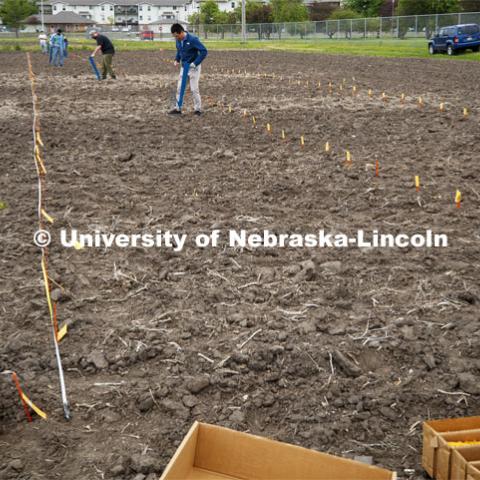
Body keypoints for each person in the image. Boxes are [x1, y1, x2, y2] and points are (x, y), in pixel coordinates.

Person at [169, 23, 207, 116]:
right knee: (179, 88)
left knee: (194, 89)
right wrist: (177, 59)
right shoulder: (178, 40)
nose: (176, 38)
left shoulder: (193, 39)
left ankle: (197, 110)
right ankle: (178, 109)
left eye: (177, 36)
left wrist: (195, 63)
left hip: (194, 68)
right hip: (184, 67)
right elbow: (179, 50)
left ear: (181, 32)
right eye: (174, 36)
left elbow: (204, 51)